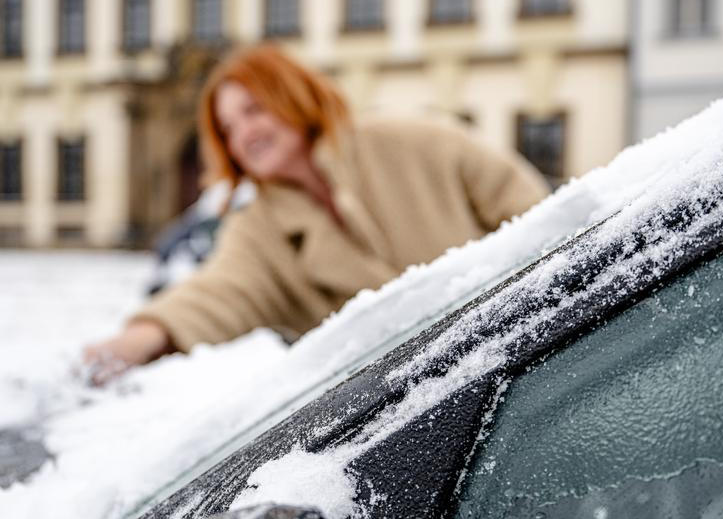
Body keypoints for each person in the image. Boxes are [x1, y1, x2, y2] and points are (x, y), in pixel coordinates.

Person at [83, 43, 550, 385]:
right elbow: (219, 292)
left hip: (538, 346)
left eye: (253, 110)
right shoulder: (260, 227)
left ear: (292, 95)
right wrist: (143, 337)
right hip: (429, 403)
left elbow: (530, 209)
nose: (244, 133)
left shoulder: (410, 142)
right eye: (229, 128)